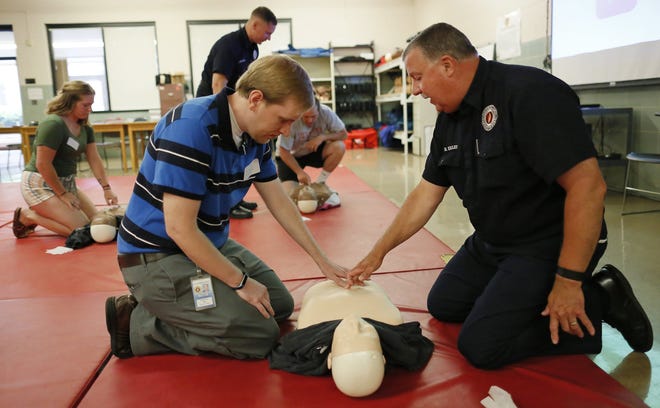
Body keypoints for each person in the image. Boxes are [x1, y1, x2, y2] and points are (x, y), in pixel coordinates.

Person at [348, 23, 653, 369]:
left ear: (447, 65)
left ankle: (601, 297)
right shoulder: (450, 116)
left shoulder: (528, 94)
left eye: (418, 78)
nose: (415, 90)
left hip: (547, 242)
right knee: (445, 304)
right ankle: (517, 295)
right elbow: (425, 194)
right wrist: (378, 254)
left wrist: (567, 282)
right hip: (493, 242)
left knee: (482, 346)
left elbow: (589, 187)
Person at [106, 55, 349, 361]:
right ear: (256, 100)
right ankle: (138, 323)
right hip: (156, 255)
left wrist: (322, 260)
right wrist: (240, 282)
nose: (287, 131)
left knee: (278, 306)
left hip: (207, 243)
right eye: (284, 119)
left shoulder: (258, 135)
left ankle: (178, 308)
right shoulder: (191, 128)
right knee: (259, 335)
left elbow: (279, 201)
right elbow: (179, 228)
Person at [196, 6, 277, 219]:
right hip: (215, 107)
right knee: (224, 155)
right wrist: (223, 119)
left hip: (236, 109)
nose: (268, 38)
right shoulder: (229, 44)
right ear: (255, 24)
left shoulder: (252, 49)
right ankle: (226, 205)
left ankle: (235, 199)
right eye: (267, 33)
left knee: (240, 155)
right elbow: (218, 83)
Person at [12, 80, 118, 239]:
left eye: (91, 105)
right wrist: (62, 194)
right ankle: (28, 216)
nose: (90, 109)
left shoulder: (85, 127)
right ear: (70, 102)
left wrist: (106, 188)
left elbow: (94, 159)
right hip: (39, 184)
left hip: (65, 182)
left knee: (98, 224)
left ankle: (50, 211)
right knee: (83, 232)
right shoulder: (53, 124)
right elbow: (42, 164)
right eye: (85, 105)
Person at [276, 97, 347, 209]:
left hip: (313, 151)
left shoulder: (326, 113)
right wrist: (299, 172)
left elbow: (343, 134)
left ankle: (320, 183)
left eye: (313, 116)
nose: (310, 120)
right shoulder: (292, 119)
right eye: (306, 117)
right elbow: (283, 151)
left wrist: (323, 137)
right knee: (289, 200)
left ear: (319, 110)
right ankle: (301, 189)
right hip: (291, 157)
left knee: (339, 146)